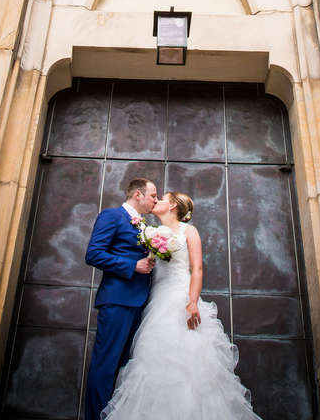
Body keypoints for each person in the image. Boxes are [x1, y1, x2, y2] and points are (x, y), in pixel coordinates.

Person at [100, 191, 263, 420]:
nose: (156, 201)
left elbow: (196, 269)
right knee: (151, 359)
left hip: (180, 298)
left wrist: (193, 301)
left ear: (174, 205)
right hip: (156, 301)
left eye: (162, 198)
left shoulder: (189, 231)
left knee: (189, 361)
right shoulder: (149, 232)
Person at [84, 177, 158, 420]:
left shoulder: (144, 225)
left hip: (140, 303)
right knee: (105, 364)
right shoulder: (111, 216)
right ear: (138, 195)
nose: (155, 201)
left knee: (125, 366)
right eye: (153, 196)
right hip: (117, 300)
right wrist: (132, 265)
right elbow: (94, 254)